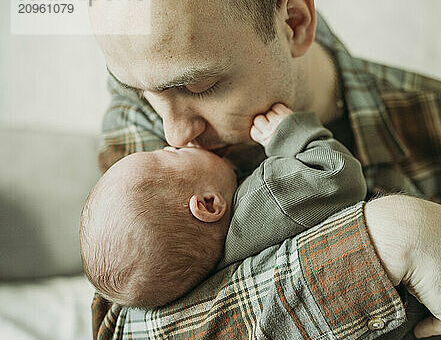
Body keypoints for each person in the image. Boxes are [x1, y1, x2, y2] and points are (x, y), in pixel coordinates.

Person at [87, 0, 441, 340]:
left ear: (294, 21)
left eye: (199, 87)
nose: (173, 133)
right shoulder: (138, 125)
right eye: (140, 91)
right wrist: (388, 239)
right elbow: (126, 338)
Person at [80, 104, 366, 308]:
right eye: (173, 155)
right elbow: (338, 174)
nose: (175, 141)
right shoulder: (267, 196)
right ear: (208, 203)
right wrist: (288, 134)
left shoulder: (215, 269)